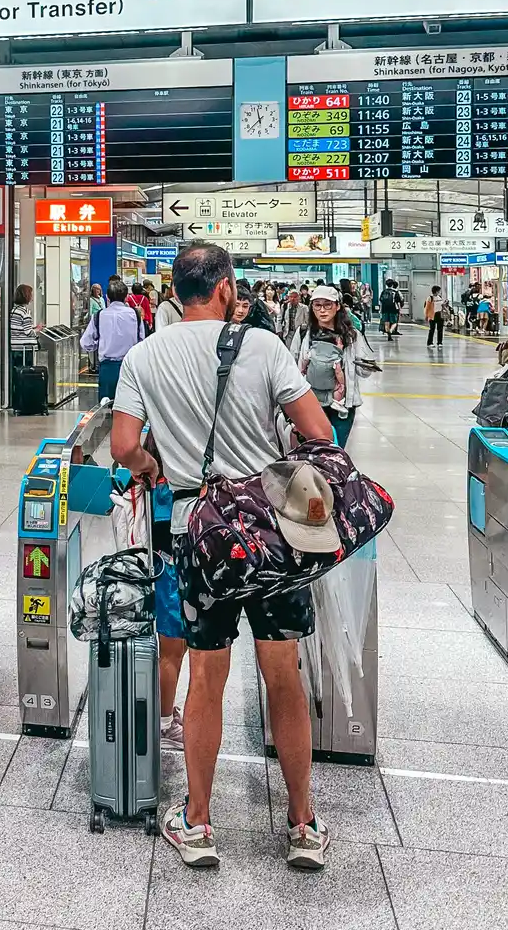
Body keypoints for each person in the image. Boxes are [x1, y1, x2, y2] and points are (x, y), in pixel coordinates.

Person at [110, 242, 333, 871]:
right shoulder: (263, 346)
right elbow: (318, 432)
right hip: (270, 530)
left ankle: (200, 823)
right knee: (282, 673)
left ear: (177, 291)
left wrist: (156, 465)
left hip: (197, 530)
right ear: (228, 287)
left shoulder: (145, 355)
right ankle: (303, 825)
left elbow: (125, 445)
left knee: (207, 672)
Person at [292, 284, 372, 445]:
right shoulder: (303, 333)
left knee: (336, 452)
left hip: (342, 406)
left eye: (327, 305)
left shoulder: (351, 335)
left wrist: (363, 360)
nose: (322, 310)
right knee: (312, 451)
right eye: (317, 305)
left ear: (337, 306)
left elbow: (365, 371)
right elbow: (292, 366)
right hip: (311, 403)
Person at [81, 276, 143, 402]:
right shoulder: (135, 315)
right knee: (129, 407)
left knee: (106, 408)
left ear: (107, 298)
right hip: (130, 368)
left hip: (107, 368)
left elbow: (85, 343)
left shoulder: (99, 316)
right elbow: (142, 340)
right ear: (126, 297)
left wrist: (98, 344)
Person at [9, 282, 37, 359]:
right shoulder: (25, 312)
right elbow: (28, 332)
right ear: (26, 296)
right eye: (31, 294)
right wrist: (38, 330)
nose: (32, 297)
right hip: (24, 348)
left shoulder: (15, 310)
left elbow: (18, 328)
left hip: (15, 346)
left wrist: (33, 328)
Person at [425, 285, 446, 349]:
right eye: (438, 291)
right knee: (432, 329)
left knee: (440, 329)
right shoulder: (430, 298)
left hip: (440, 314)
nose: (439, 292)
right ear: (436, 291)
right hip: (432, 315)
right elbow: (427, 308)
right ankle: (430, 342)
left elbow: (442, 305)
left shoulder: (439, 297)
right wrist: (426, 316)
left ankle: (439, 342)